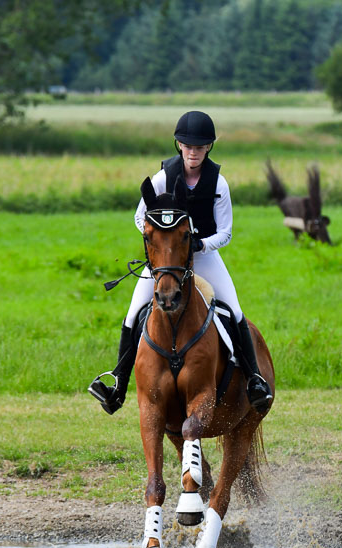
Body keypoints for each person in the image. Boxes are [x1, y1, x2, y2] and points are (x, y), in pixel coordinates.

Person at [88, 110, 273, 415]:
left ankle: (254, 379)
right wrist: (161, 239)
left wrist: (200, 244)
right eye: (187, 146)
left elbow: (226, 232)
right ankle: (117, 385)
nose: (193, 153)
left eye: (199, 147)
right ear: (179, 146)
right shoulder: (162, 178)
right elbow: (139, 217)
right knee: (133, 313)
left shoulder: (218, 183)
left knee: (234, 309)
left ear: (208, 147)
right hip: (167, 260)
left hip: (204, 256)